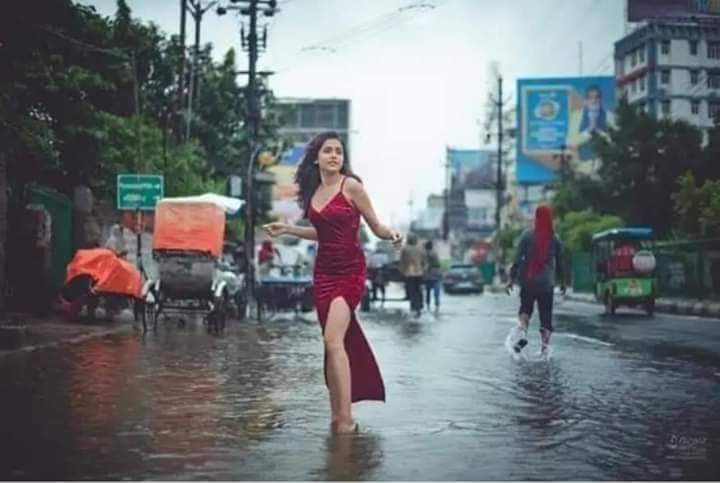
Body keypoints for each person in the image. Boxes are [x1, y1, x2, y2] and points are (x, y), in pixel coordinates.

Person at [263, 131, 402, 434]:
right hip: (323, 273)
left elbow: (374, 225)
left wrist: (391, 234)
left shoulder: (351, 186)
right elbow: (322, 234)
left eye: (339, 151)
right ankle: (337, 415)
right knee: (332, 345)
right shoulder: (313, 194)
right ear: (317, 157)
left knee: (332, 340)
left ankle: (346, 420)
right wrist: (287, 229)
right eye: (328, 151)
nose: (334, 156)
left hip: (350, 270)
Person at [506, 206, 566, 355]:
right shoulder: (555, 238)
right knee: (546, 315)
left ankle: (524, 334)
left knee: (525, 310)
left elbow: (517, 259)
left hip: (528, 280)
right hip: (547, 283)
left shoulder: (527, 236)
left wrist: (511, 279)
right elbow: (560, 262)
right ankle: (545, 348)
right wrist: (563, 281)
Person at [399, 234, 425, 317]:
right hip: (419, 273)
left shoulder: (405, 249)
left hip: (409, 273)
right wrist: (423, 270)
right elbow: (424, 262)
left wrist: (402, 271)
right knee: (418, 290)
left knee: (412, 290)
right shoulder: (420, 249)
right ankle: (419, 306)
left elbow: (403, 262)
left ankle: (413, 306)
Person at [422, 240, 442, 312]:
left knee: (428, 292)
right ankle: (436, 305)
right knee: (436, 292)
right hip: (435, 275)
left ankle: (429, 306)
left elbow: (425, 264)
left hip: (429, 276)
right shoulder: (433, 253)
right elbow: (437, 264)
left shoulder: (427, 254)